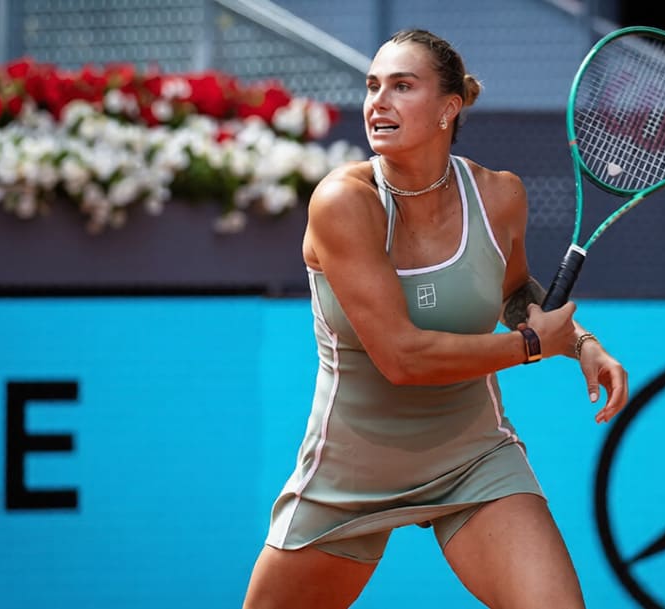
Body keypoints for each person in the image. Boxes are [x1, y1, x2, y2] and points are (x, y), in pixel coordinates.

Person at [241, 28, 629, 609]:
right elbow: (403, 358)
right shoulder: (343, 201)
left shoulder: (499, 196)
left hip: (472, 458)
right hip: (349, 471)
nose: (378, 102)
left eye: (402, 86)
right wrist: (531, 344)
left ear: (449, 108)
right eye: (373, 86)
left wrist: (581, 343)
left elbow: (514, 291)